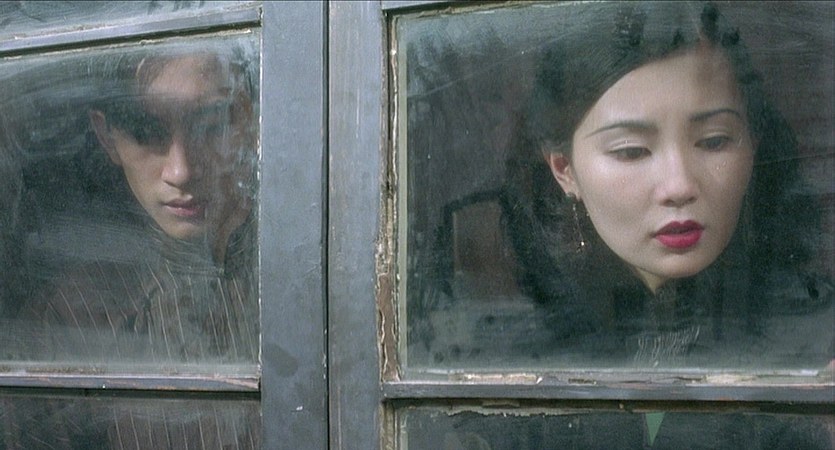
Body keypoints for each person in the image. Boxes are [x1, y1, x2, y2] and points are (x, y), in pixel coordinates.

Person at [504, 1, 833, 368]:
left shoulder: (820, 336)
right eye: (631, 151)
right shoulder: (512, 358)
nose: (679, 186)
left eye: (714, 141)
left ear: (753, 146)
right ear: (564, 169)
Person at [22, 42, 259, 366]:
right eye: (147, 132)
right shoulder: (72, 317)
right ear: (106, 137)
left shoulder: (305, 272)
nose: (181, 171)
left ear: (251, 122)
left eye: (212, 124)